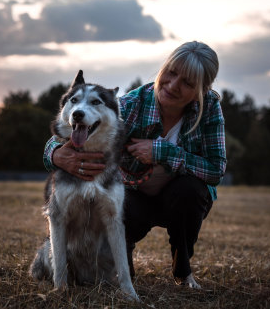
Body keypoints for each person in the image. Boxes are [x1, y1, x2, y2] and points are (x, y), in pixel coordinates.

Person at [42, 41, 226, 289]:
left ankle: (183, 272)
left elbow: (215, 169)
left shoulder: (210, 108)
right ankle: (120, 270)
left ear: (202, 90)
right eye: (171, 73)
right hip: (135, 199)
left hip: (181, 199)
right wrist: (55, 155)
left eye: (187, 83)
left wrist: (162, 151)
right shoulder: (130, 105)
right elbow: (57, 140)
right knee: (115, 204)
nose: (173, 85)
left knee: (190, 191)